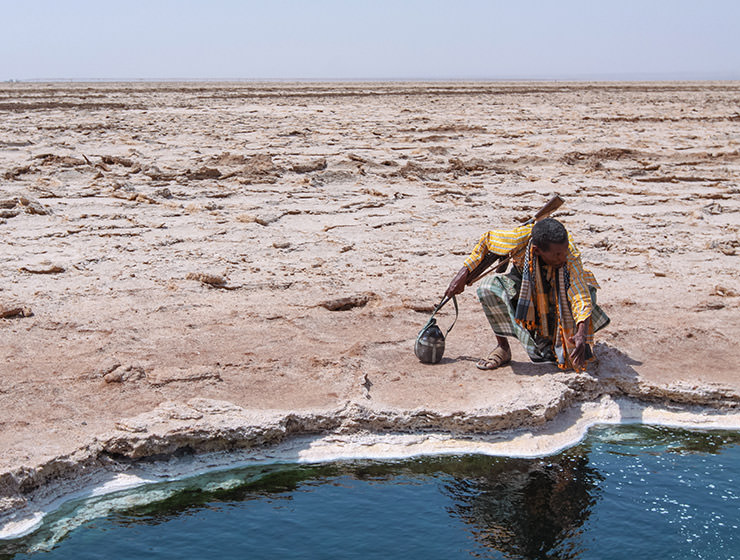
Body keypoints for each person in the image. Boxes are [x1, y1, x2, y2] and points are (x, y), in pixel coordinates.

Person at [445, 218, 609, 371]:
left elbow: (579, 292)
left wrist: (581, 333)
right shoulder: (518, 238)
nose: (563, 257)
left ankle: (565, 341)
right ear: (537, 251)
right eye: (557, 254)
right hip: (525, 287)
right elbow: (487, 240)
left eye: (565, 251)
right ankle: (503, 348)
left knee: (588, 291)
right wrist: (462, 275)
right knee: (488, 288)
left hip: (559, 291)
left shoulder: (570, 254)